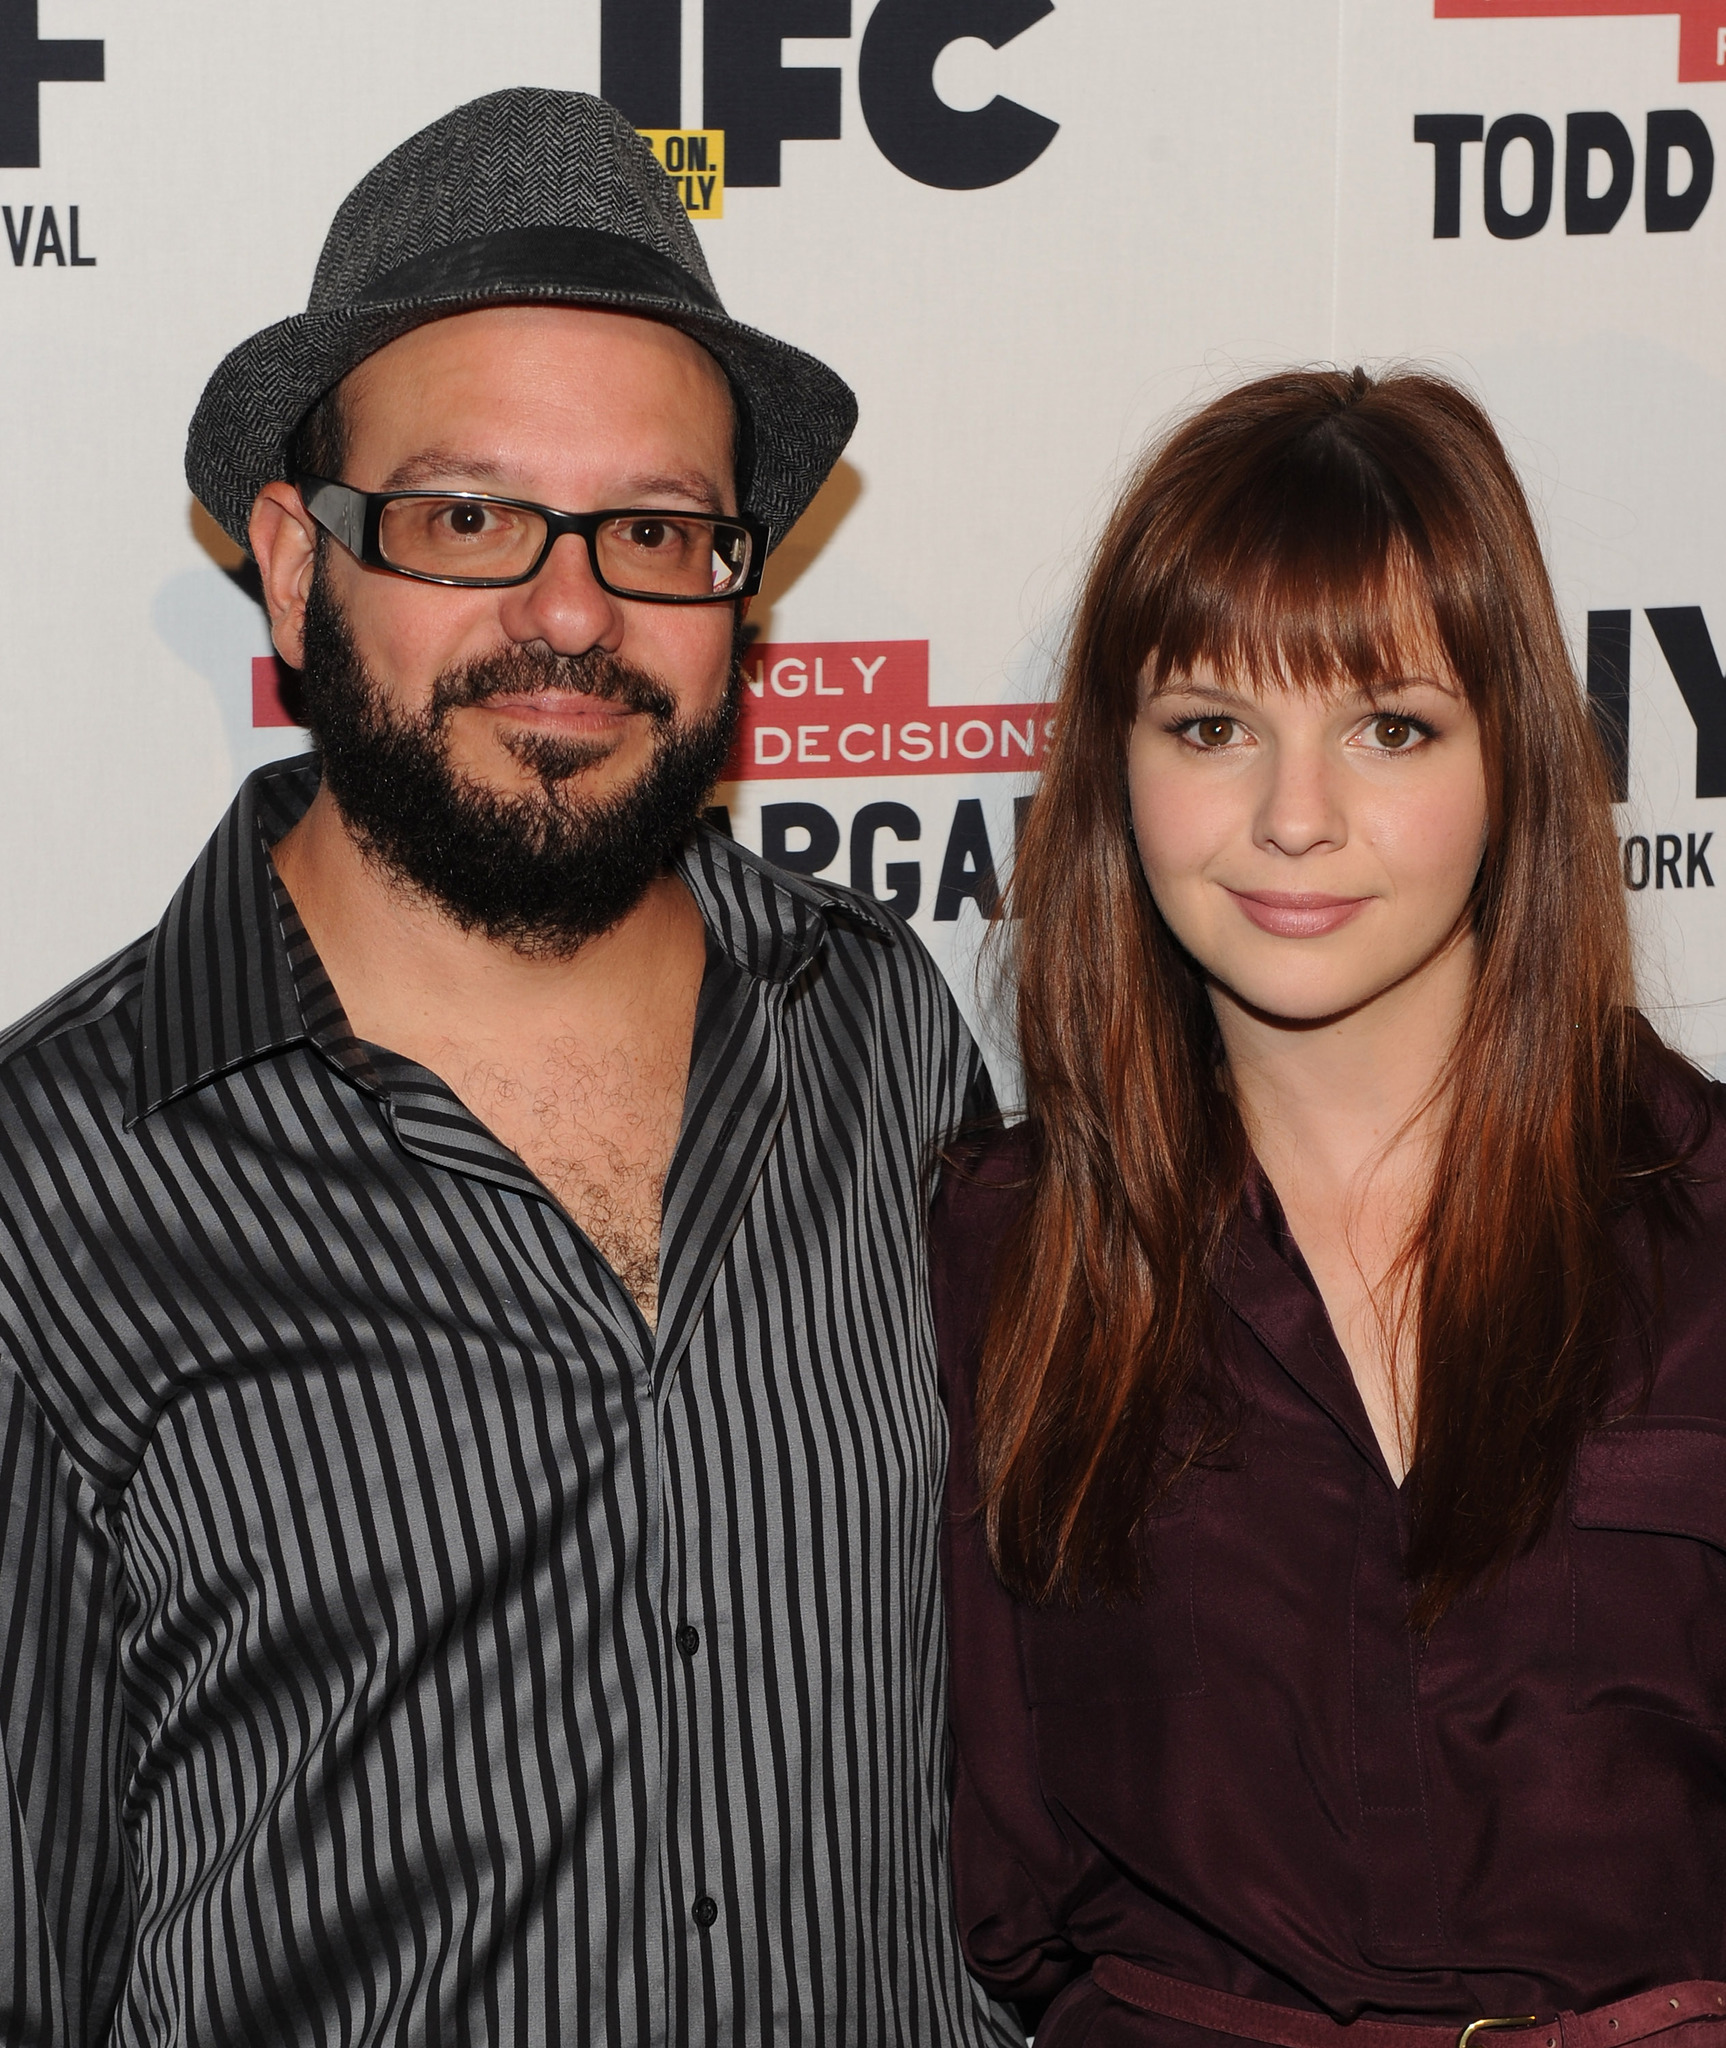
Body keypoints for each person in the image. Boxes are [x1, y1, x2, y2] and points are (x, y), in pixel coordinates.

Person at [0, 89, 1018, 2047]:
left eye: (653, 529)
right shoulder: (51, 1193)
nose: (570, 611)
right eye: (469, 516)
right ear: (297, 569)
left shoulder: (881, 1033)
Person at [936, 367, 1726, 2046]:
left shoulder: (1712, 1226)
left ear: (1513, 755)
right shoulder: (998, 1256)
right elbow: (1004, 1890)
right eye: (1210, 727)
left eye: (1389, 727)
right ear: (1117, 769)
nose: (1295, 820)